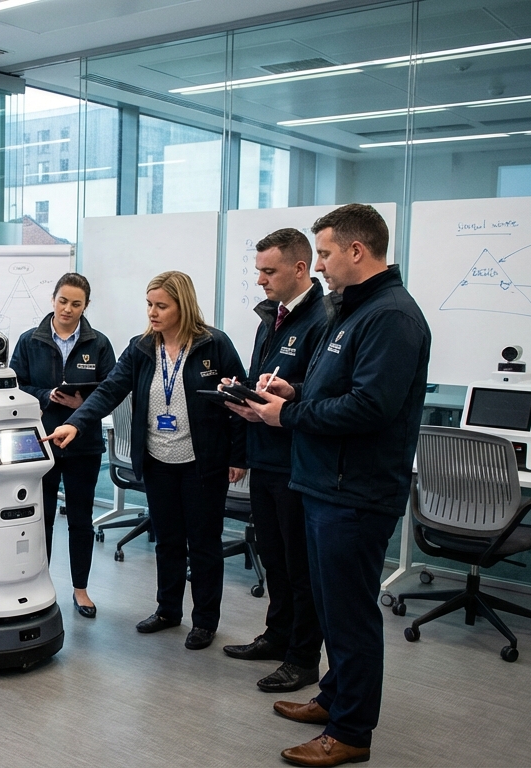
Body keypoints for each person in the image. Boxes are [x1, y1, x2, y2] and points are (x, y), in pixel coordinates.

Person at [228, 204, 429, 767]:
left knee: (351, 617)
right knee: (332, 609)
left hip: (355, 492)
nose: (318, 265)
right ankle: (334, 697)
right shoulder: (353, 310)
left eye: (324, 253)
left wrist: (287, 416)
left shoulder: (391, 316)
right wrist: (294, 394)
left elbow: (371, 406)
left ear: (356, 251)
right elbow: (338, 388)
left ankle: (351, 731)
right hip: (324, 484)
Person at [46, 271, 246, 651]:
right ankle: (168, 610)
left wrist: (239, 454)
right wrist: (76, 422)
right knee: (167, 540)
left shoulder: (213, 344)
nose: (152, 312)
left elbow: (239, 399)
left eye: (161, 306)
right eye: (149, 305)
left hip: (202, 461)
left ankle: (205, 621)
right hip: (158, 459)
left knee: (203, 543)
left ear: (182, 306)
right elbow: (109, 390)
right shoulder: (141, 348)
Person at [220, 228, 328, 694]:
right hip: (265, 455)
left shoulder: (324, 318)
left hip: (298, 462)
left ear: (300, 269)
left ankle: (302, 659)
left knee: (299, 566)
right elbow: (265, 380)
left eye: (269, 271)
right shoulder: (272, 317)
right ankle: (277, 636)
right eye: (258, 270)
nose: (260, 280)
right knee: (274, 559)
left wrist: (282, 398)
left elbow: (320, 392)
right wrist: (240, 391)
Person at [9, 272, 116, 618]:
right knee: (40, 519)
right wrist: (47, 394)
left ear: (86, 306)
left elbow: (111, 391)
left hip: (84, 444)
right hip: (40, 443)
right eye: (63, 301)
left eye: (76, 304)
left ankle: (80, 589)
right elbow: (14, 386)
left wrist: (83, 405)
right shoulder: (29, 340)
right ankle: (38, 585)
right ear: (53, 299)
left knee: (81, 520)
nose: (68, 309)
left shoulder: (99, 344)